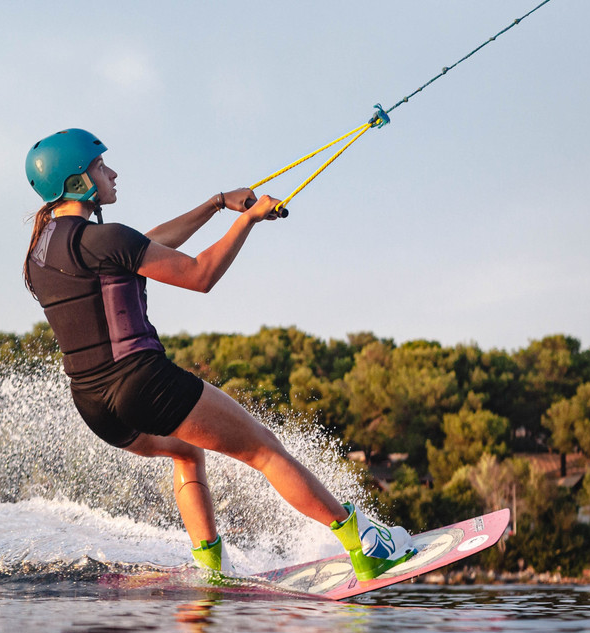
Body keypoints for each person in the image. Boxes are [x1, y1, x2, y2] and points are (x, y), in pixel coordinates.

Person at [23, 128, 411, 580]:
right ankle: (365, 545)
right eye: (100, 166)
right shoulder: (103, 240)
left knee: (186, 452)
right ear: (77, 182)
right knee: (264, 450)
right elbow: (200, 274)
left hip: (95, 405)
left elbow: (145, 245)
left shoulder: (40, 253)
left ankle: (212, 567)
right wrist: (247, 221)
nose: (111, 172)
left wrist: (215, 204)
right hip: (144, 384)